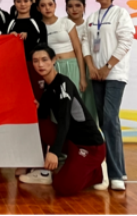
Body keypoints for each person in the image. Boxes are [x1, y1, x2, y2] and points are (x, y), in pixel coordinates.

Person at [19, 46, 108, 196]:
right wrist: (33, 106)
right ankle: (44, 172)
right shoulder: (48, 87)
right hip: (72, 141)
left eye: (44, 60)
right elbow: (42, 116)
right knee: (38, 124)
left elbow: (64, 120)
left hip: (90, 146)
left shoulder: (63, 84)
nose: (40, 64)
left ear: (54, 60)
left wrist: (54, 152)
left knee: (62, 187)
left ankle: (98, 173)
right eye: (35, 61)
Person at [81, 0, 135, 192]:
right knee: (105, 122)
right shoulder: (92, 17)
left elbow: (126, 41)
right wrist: (91, 67)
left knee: (110, 120)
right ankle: (118, 170)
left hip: (115, 75)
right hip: (96, 75)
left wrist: (107, 67)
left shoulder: (120, 14)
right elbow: (86, 43)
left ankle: (115, 175)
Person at [36, 0, 97, 122]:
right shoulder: (38, 26)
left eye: (50, 4)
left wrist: (82, 77)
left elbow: (78, 50)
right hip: (52, 69)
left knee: (75, 105)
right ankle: (62, 134)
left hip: (72, 66)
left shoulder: (66, 23)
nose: (47, 8)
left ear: (55, 5)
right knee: (57, 106)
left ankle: (79, 134)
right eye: (43, 5)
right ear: (38, 8)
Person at [7, 0, 48, 178]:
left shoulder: (38, 24)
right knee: (19, 115)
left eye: (25, 1)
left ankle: (39, 159)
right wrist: (11, 38)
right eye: (18, 1)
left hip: (34, 71)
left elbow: (44, 49)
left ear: (31, 2)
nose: (22, 4)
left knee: (38, 112)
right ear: (14, 3)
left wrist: (28, 38)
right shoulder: (10, 23)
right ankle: (22, 160)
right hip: (14, 72)